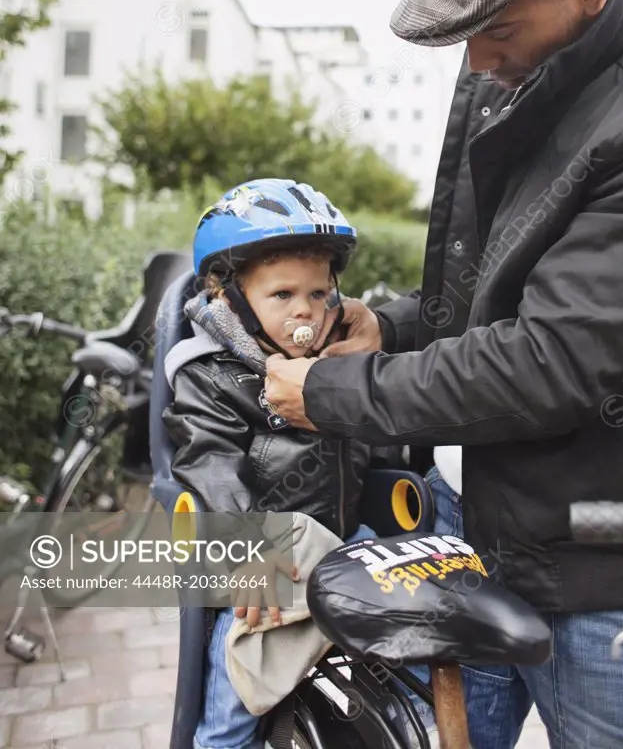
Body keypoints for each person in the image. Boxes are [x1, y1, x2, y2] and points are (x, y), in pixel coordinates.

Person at [263, 0, 623, 748]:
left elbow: (553, 360)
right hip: (476, 533)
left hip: (613, 577)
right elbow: (498, 297)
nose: (480, 60)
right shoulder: (520, 80)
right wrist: (391, 327)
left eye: (498, 32)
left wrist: (333, 394)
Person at [162, 178, 434, 749]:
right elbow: (208, 465)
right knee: (237, 686)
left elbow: (376, 446)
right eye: (282, 296)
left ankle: (405, 725)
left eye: (317, 293)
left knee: (423, 638)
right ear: (228, 298)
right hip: (266, 565)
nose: (305, 311)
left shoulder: (337, 368)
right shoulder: (211, 376)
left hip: (345, 543)